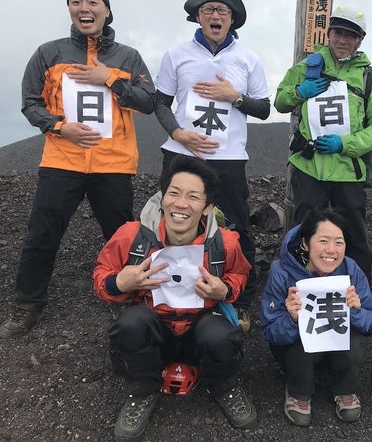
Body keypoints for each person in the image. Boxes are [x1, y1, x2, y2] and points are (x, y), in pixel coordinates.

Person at [0, 0, 156, 338]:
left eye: (92, 1)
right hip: (61, 160)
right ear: (69, 9)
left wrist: (111, 80)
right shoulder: (48, 53)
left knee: (122, 236)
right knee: (42, 234)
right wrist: (58, 127)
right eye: (76, 1)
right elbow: (30, 102)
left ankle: (131, 297)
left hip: (113, 163)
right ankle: (28, 303)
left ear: (106, 9)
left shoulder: (128, 57)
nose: (84, 8)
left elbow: (149, 102)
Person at [93, 155, 256, 440]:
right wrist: (119, 282)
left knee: (222, 336)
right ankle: (142, 390)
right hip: (155, 331)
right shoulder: (132, 237)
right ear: (162, 198)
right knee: (131, 324)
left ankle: (224, 385)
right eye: (174, 193)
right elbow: (102, 275)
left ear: (207, 207)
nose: (181, 204)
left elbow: (240, 274)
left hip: (201, 325)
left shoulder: (225, 242)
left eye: (193, 196)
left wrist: (225, 290)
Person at [154, 0, 270, 333]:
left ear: (233, 19)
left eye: (222, 11)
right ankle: (168, 294)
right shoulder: (176, 54)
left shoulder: (248, 59)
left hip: (229, 157)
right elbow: (160, 102)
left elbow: (264, 109)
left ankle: (240, 300)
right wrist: (177, 133)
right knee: (174, 221)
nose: (215, 16)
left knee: (236, 225)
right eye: (208, 10)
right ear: (198, 16)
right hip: (181, 154)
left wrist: (234, 97)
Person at [275, 5, 372, 283]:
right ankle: (301, 286)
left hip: (348, 168)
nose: (343, 40)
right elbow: (279, 101)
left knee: (352, 232)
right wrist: (298, 91)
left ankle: (357, 291)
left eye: (350, 35)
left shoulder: (368, 78)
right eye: (338, 32)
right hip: (309, 165)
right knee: (307, 230)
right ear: (328, 34)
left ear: (360, 40)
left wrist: (346, 143)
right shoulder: (305, 68)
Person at [261, 208, 372, 427]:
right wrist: (291, 318)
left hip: (336, 348)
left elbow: (370, 321)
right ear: (305, 243)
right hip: (298, 351)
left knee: (355, 340)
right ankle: (298, 391)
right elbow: (269, 331)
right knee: (302, 340)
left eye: (339, 243)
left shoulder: (351, 270)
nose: (331, 250)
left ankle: (345, 389)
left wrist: (356, 310)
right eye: (323, 241)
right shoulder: (282, 271)